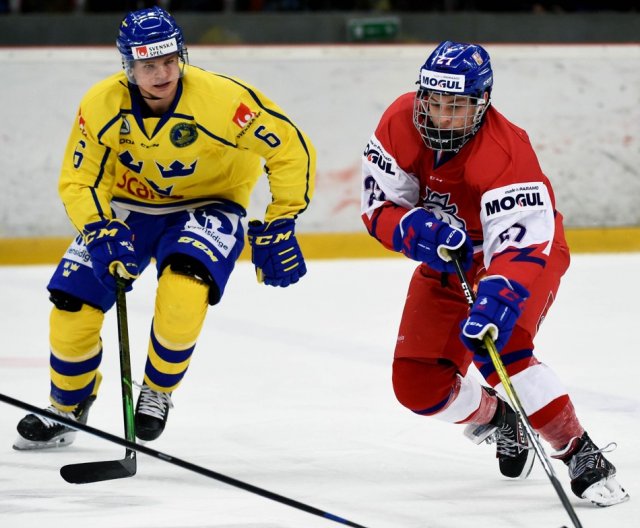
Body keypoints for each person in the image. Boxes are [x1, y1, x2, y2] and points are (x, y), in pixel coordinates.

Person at [14, 6, 315, 448]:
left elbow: (289, 148)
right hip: (127, 206)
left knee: (184, 293)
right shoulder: (100, 105)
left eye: (169, 61)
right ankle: (68, 406)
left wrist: (282, 218)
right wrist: (98, 228)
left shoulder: (223, 102)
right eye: (148, 65)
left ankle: (157, 390)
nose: (162, 74)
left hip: (208, 204)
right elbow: (80, 178)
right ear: (128, 67)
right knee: (70, 306)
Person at [361, 41, 628, 506]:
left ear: (482, 104)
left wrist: (497, 296)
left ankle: (578, 450)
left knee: (499, 344)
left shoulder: (506, 152)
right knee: (418, 385)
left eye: (457, 107)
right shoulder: (398, 121)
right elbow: (377, 205)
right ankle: (499, 419)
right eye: (434, 103)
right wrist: (410, 229)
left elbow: (523, 245)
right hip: (450, 259)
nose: (442, 117)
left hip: (520, 258)